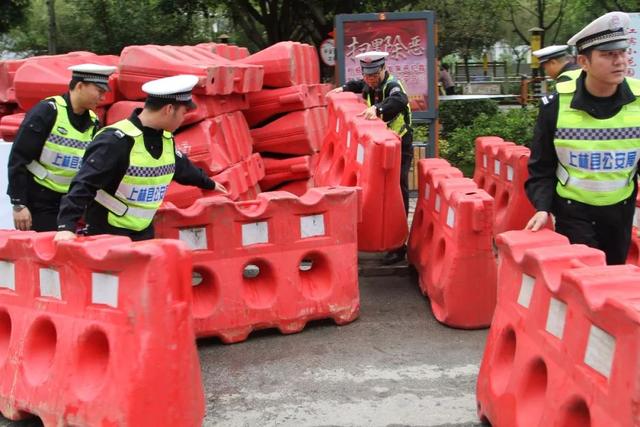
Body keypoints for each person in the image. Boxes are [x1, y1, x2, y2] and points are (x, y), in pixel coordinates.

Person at [54, 74, 227, 242]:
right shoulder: (115, 140)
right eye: (183, 112)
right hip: (108, 237)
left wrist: (209, 183)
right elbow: (84, 184)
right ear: (169, 109)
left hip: (143, 233)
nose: (184, 118)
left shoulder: (165, 139)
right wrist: (66, 227)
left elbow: (182, 168)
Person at [525, 11, 638, 265]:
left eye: (621, 53)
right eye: (608, 55)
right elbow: (541, 166)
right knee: (585, 277)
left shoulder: (639, 102)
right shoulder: (555, 106)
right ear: (583, 62)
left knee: (613, 278)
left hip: (621, 211)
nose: (619, 61)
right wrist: (542, 207)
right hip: (572, 210)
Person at [326, 51, 412, 265]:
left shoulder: (393, 86)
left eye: (374, 75)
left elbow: (400, 100)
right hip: (375, 149)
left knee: (398, 192)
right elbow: (357, 84)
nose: (370, 79)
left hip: (399, 146)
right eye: (367, 75)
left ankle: (399, 244)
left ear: (383, 69)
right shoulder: (368, 84)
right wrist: (343, 88)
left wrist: (378, 109)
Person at [7, 63, 116, 231]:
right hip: (39, 199)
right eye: (99, 92)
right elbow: (18, 157)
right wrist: (18, 204)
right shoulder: (47, 111)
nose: (102, 98)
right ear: (80, 86)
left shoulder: (93, 121)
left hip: (69, 202)